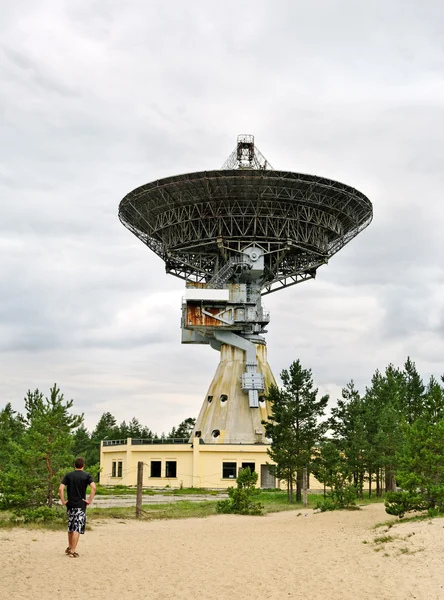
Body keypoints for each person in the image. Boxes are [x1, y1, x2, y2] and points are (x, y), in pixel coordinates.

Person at [59, 457, 96, 558]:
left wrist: (63, 500)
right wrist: (89, 500)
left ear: (74, 465)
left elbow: (61, 488)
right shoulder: (87, 475)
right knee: (77, 528)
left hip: (70, 504)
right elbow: (94, 487)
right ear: (83, 465)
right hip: (80, 504)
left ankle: (70, 547)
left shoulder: (69, 475)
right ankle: (73, 551)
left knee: (71, 527)